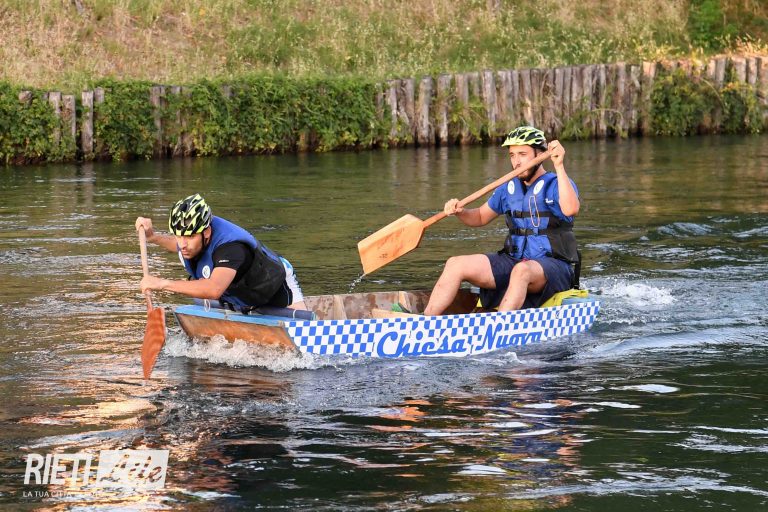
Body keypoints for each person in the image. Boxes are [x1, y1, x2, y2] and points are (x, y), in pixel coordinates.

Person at [424, 126, 580, 315]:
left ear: (540, 154)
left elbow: (571, 209)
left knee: (521, 271)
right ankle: (425, 320)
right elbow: (480, 217)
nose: (516, 161)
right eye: (512, 155)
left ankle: (499, 326)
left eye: (523, 154)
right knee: (455, 264)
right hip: (515, 260)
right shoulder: (508, 188)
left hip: (554, 266)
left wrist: (559, 165)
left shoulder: (557, 183)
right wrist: (460, 212)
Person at [136, 193, 306, 311]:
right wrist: (153, 237)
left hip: (275, 285)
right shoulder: (192, 244)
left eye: (189, 237)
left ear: (206, 232)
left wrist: (162, 283)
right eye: (178, 236)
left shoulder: (231, 249)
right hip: (240, 295)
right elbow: (177, 244)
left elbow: (214, 289)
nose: (183, 244)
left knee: (304, 341)